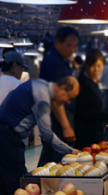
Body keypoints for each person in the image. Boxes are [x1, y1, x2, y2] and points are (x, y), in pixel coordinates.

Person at [0, 77, 80, 195]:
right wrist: (70, 151)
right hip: (8, 136)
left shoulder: (41, 84)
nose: (68, 102)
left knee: (4, 180)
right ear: (62, 89)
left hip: (1, 130)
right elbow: (47, 134)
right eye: (69, 97)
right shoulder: (43, 98)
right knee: (18, 184)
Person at [39, 26, 78, 166]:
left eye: (74, 46)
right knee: (59, 162)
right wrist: (66, 126)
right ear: (58, 43)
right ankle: (53, 187)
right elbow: (54, 98)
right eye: (68, 45)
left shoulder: (61, 60)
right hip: (57, 121)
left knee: (56, 159)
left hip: (60, 118)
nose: (72, 49)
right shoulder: (53, 62)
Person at [74, 50, 108, 150]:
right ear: (87, 65)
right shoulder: (83, 84)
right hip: (87, 136)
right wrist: (105, 115)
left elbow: (93, 106)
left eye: (99, 66)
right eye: (92, 65)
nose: (96, 69)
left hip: (95, 133)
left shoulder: (93, 82)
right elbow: (83, 113)